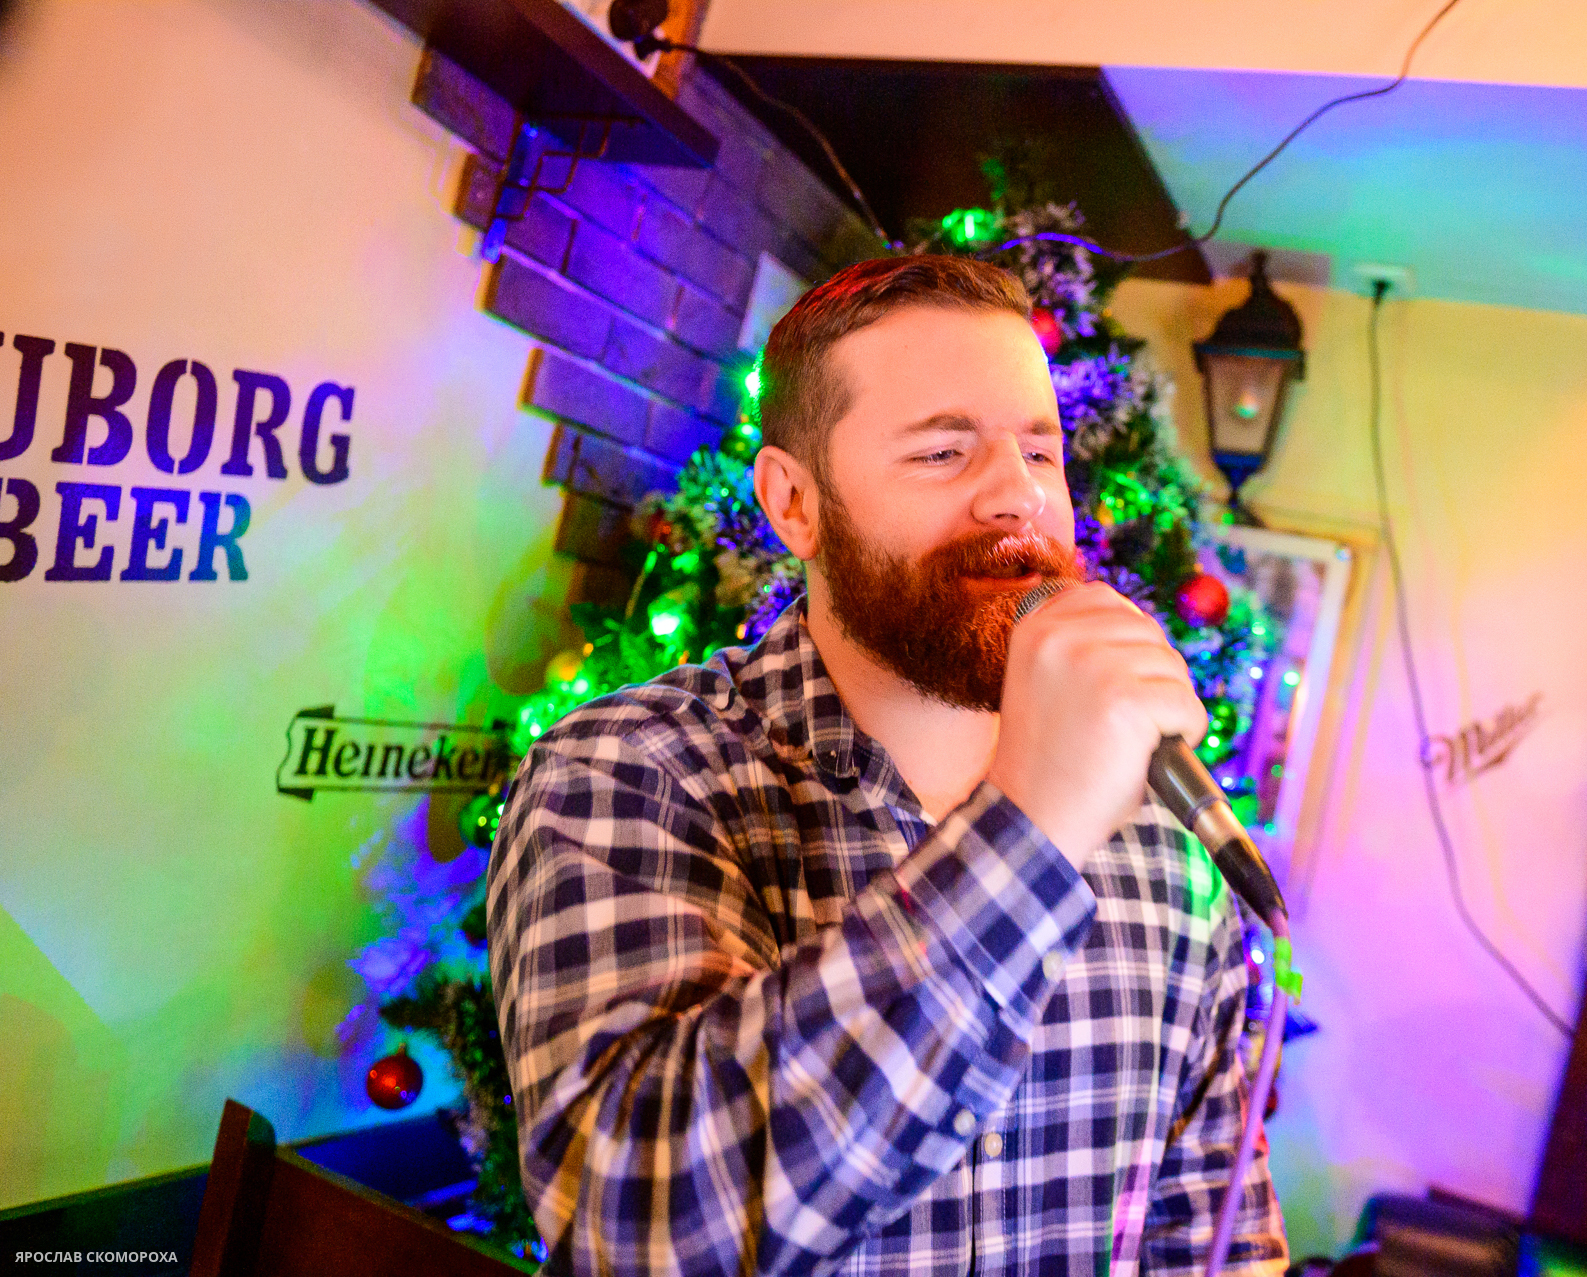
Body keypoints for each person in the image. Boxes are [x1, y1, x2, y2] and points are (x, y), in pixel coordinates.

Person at [486, 254, 1289, 1276]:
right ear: (794, 503)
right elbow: (637, 1233)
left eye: (1041, 452)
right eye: (945, 451)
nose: (1020, 497)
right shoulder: (632, 771)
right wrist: (1030, 829)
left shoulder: (1165, 847)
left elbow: (1214, 1239)